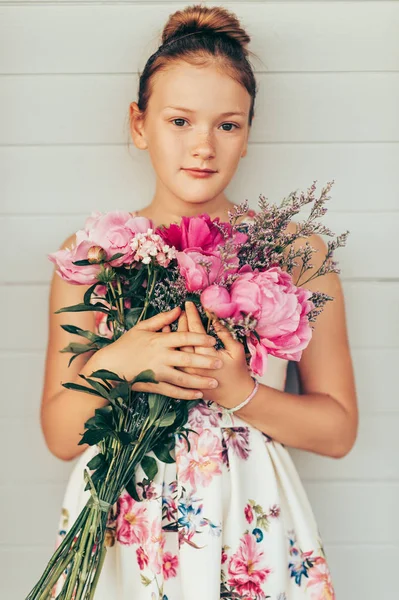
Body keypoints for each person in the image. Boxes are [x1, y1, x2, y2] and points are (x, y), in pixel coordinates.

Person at [41, 4, 358, 599]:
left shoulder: (297, 255)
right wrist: (125, 362)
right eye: (180, 121)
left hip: (247, 522)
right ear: (139, 125)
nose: (203, 146)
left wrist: (238, 390)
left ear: (247, 134)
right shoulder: (92, 253)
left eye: (227, 125)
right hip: (122, 524)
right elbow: (61, 435)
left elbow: (337, 429)